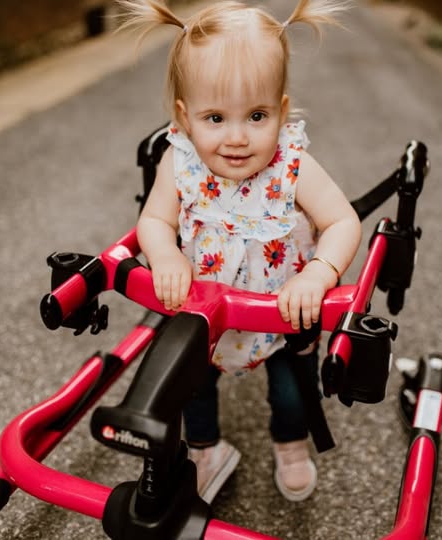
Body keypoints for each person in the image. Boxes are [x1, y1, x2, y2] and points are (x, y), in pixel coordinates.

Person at [124, 0, 361, 503]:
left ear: (281, 106)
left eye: (256, 115)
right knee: (193, 388)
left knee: (292, 388)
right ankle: (207, 448)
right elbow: (154, 220)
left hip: (281, 312)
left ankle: (292, 443)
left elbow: (341, 220)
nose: (236, 138)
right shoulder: (180, 161)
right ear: (184, 116)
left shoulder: (290, 164)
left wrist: (318, 274)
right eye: (215, 117)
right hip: (206, 312)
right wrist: (165, 256)